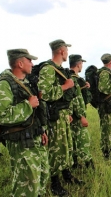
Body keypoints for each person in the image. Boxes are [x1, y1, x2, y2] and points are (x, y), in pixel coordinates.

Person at [0, 49, 49, 197]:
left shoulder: (26, 83)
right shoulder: (5, 84)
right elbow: (1, 116)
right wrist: (27, 105)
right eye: (29, 60)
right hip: (21, 142)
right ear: (19, 63)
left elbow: (35, 113)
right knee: (26, 184)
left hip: (34, 137)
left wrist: (41, 131)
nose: (32, 63)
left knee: (41, 176)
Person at [37, 39, 83, 197]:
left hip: (63, 115)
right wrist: (64, 87)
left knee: (66, 147)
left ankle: (66, 175)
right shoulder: (48, 69)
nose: (67, 54)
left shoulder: (59, 69)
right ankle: (55, 183)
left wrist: (69, 112)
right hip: (54, 117)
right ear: (61, 51)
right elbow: (43, 94)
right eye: (66, 51)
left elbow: (65, 97)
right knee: (56, 149)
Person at [69, 54, 94, 169]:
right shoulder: (74, 79)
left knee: (72, 140)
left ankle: (74, 164)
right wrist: (81, 116)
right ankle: (89, 164)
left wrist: (85, 86)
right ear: (78, 64)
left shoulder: (68, 77)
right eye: (81, 64)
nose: (82, 66)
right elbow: (75, 98)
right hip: (76, 116)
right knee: (83, 140)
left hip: (69, 116)